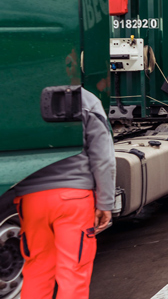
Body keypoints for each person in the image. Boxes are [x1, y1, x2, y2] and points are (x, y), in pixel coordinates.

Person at [13, 88, 115, 298]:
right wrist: (105, 203)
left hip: (31, 200)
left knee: (37, 270)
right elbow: (103, 158)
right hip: (74, 199)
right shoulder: (86, 99)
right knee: (73, 273)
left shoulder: (18, 100)